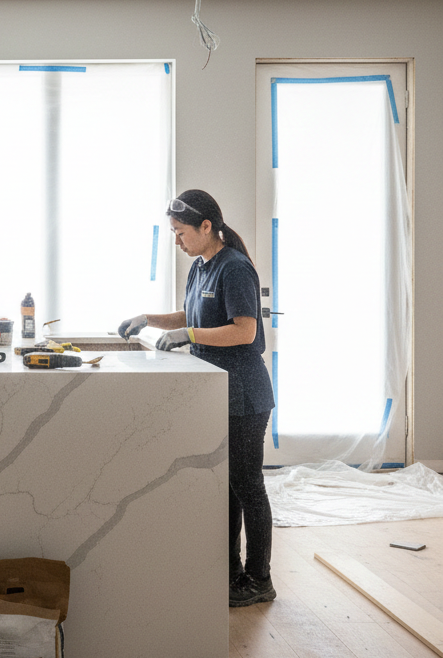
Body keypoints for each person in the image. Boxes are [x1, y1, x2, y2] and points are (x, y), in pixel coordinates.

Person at [118, 189, 277, 608]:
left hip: (244, 395)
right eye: (173, 232)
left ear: (207, 226)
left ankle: (259, 579)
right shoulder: (201, 267)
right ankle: (230, 571)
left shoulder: (235, 268)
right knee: (228, 487)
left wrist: (187, 335)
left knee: (248, 486)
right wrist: (148, 319)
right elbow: (192, 314)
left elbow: (244, 331)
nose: (177, 240)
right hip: (217, 392)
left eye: (181, 232)